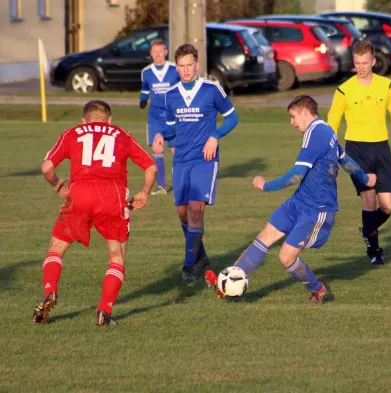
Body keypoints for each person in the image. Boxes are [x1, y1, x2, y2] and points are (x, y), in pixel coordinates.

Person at [226, 95, 376, 303]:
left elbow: (297, 174)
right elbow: (345, 160)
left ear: (305, 113)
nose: (292, 123)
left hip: (317, 209)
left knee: (286, 257)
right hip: (299, 202)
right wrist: (365, 178)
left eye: (293, 116)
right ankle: (230, 281)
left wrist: (266, 185)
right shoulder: (327, 131)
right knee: (265, 236)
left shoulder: (315, 134)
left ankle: (318, 288)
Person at [32, 100, 157, 326]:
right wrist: (144, 193)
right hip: (113, 197)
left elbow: (46, 167)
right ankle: (104, 311)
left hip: (79, 194)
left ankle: (50, 290)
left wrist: (56, 183)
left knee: (56, 248)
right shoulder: (121, 134)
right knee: (116, 256)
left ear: (84, 120)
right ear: (109, 120)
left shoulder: (72, 133)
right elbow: (151, 167)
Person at [152, 44, 239, 284]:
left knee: (195, 210)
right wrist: (161, 136)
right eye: (181, 66)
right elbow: (170, 129)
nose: (186, 70)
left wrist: (215, 136)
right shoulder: (170, 94)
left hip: (205, 159)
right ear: (176, 67)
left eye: (190, 65)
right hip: (181, 159)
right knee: (182, 212)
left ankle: (189, 266)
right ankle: (199, 256)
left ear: (197, 64)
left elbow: (233, 117)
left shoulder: (211, 89)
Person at [327, 40, 391, 266]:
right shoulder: (344, 90)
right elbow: (332, 123)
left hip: (381, 148)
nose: (361, 67)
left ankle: (368, 229)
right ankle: (375, 250)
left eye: (365, 63)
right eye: (357, 63)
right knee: (369, 197)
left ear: (373, 62)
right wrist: (331, 152)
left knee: (388, 206)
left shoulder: (387, 86)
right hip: (356, 149)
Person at [140, 39, 180, 196]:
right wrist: (143, 99)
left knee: (176, 150)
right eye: (154, 52)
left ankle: (181, 183)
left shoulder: (174, 69)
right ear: (151, 53)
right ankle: (162, 186)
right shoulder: (146, 72)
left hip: (173, 115)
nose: (157, 54)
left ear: (166, 52)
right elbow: (144, 88)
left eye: (160, 51)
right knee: (157, 150)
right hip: (155, 117)